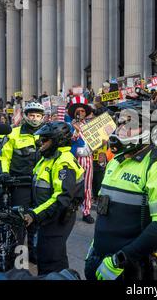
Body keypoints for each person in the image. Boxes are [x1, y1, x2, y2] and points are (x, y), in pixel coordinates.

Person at [84, 99, 157, 281]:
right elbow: (107, 211)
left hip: (134, 268)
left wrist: (120, 260)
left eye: (129, 123)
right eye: (121, 122)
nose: (122, 128)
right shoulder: (115, 161)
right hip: (101, 259)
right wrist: (95, 246)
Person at [24, 122, 85, 275]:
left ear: (57, 141)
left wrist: (34, 214)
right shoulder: (47, 158)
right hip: (47, 216)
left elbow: (62, 197)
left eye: (45, 140)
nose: (40, 143)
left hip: (58, 216)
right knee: (56, 257)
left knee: (49, 260)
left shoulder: (63, 162)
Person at [0, 101, 45, 262]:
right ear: (25, 116)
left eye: (38, 115)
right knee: (19, 223)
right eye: (31, 115)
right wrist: (4, 172)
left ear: (43, 117)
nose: (35, 118)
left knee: (36, 220)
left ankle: (33, 254)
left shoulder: (46, 135)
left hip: (40, 185)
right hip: (20, 184)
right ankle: (18, 258)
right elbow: (4, 156)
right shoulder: (13, 134)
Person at [68, 96, 95, 224]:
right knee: (72, 184)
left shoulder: (90, 126)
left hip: (88, 158)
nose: (80, 113)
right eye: (78, 111)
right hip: (74, 159)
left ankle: (86, 211)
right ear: (74, 113)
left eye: (83, 111)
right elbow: (70, 141)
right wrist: (76, 130)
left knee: (87, 186)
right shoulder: (69, 126)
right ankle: (69, 209)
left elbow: (96, 142)